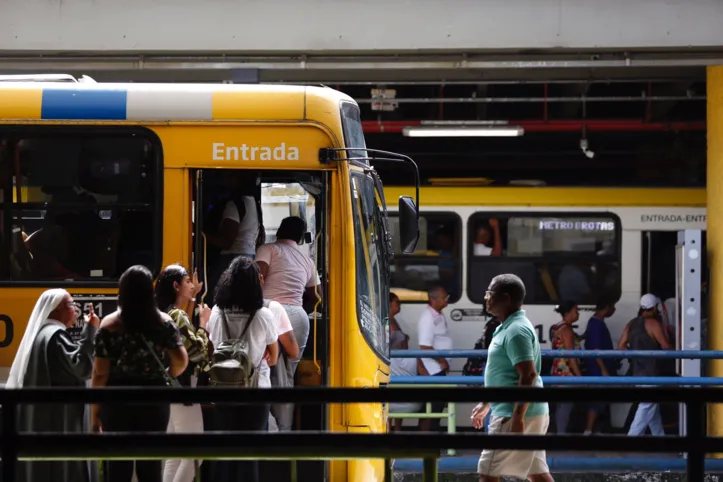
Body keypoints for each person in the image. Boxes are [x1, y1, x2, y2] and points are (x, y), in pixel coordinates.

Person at [91, 265, 189, 482]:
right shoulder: (163, 323)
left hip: (117, 401)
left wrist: (95, 413)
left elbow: (100, 373)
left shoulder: (109, 325)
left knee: (117, 469)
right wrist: (167, 373)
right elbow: (181, 360)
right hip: (153, 400)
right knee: (151, 468)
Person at [8, 289, 99, 482]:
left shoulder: (42, 335)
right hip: (59, 423)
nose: (76, 309)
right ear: (55, 310)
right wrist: (90, 330)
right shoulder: (56, 336)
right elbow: (82, 367)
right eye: (72, 305)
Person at [471, 274, 553, 482]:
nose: (486, 297)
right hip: (525, 411)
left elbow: (528, 374)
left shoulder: (516, 330)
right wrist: (487, 402)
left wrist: (517, 417)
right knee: (538, 473)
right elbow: (504, 373)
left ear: (505, 298)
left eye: (490, 293)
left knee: (488, 471)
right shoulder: (506, 327)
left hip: (512, 413)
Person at [206, 256, 279, 482]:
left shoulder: (217, 312)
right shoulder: (263, 315)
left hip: (223, 391)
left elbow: (211, 349)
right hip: (255, 393)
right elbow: (274, 358)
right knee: (249, 455)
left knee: (223, 454)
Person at [256, 215, 320, 431]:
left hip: (270, 311)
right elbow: (317, 297)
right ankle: (284, 430)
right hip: (298, 318)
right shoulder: (307, 260)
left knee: (263, 370)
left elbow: (258, 277)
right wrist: (299, 308)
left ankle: (264, 426)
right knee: (287, 375)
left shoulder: (268, 249)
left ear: (280, 230)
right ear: (301, 238)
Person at [154, 264, 213, 482]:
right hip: (184, 387)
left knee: (176, 454)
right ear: (176, 285)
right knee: (195, 453)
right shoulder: (176, 315)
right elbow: (197, 350)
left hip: (171, 386)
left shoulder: (166, 313)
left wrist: (193, 299)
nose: (192, 285)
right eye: (187, 281)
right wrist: (204, 324)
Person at [618, 293, 670, 436]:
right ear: (654, 308)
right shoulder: (654, 324)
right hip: (651, 374)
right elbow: (666, 347)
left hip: (636, 372)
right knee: (646, 406)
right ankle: (630, 440)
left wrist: (634, 353)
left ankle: (662, 442)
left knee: (653, 413)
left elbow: (621, 346)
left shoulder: (631, 323)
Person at [417, 285, 453, 432]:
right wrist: (442, 361)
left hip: (438, 369)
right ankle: (425, 442)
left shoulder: (437, 315)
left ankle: (432, 439)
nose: (447, 300)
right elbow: (424, 347)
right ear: (433, 299)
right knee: (431, 407)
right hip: (432, 370)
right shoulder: (427, 318)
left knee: (437, 406)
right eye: (444, 298)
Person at [583, 297, 617, 435]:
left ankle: (596, 429)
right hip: (598, 370)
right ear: (607, 307)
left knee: (601, 401)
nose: (614, 310)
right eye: (613, 307)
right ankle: (589, 430)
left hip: (598, 368)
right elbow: (596, 350)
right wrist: (603, 370)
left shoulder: (595, 323)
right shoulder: (597, 325)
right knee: (597, 401)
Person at [549, 301, 582, 434]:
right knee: (566, 406)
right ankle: (561, 435)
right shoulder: (567, 330)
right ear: (568, 313)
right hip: (567, 373)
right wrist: (579, 377)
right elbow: (571, 355)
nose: (578, 313)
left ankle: (559, 433)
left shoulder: (557, 327)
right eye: (576, 310)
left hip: (557, 371)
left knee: (561, 406)